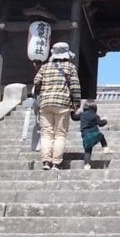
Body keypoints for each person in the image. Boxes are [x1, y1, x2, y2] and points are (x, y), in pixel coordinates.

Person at [31, 42, 81, 170]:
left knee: (46, 133)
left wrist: (41, 90)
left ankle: (46, 162)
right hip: (62, 104)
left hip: (46, 103)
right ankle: (56, 163)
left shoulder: (45, 67)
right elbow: (75, 87)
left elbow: (37, 81)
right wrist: (76, 104)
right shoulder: (70, 67)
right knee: (60, 134)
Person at [71, 99, 110, 170]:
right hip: (94, 134)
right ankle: (105, 148)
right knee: (101, 136)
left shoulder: (82, 115)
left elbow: (74, 117)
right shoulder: (95, 115)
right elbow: (100, 124)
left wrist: (72, 110)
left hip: (85, 137)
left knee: (87, 151)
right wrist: (105, 120)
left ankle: (87, 165)